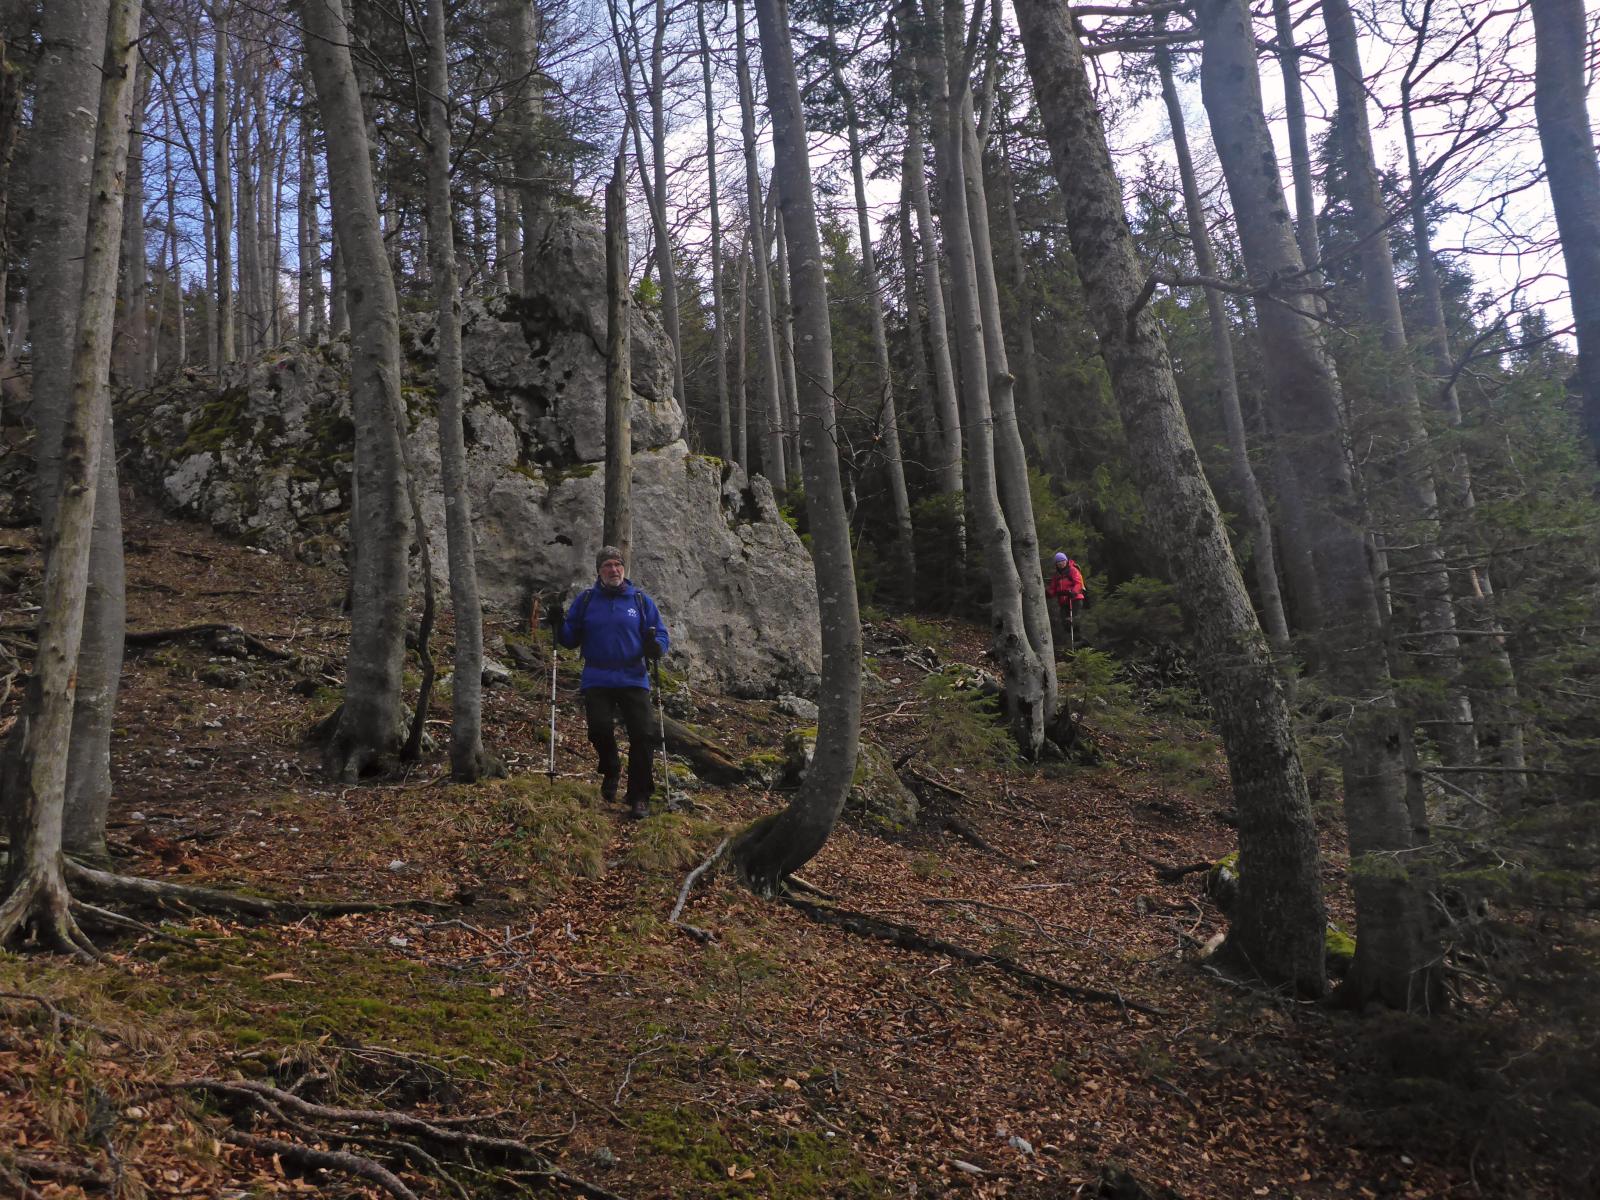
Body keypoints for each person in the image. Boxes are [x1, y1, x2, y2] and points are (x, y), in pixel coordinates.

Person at [547, 546, 671, 819]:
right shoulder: (588, 600)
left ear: (623, 569)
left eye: (617, 565)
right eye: (607, 566)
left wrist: (656, 647)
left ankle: (639, 795)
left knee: (643, 735)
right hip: (598, 676)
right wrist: (557, 623)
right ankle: (611, 768)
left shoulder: (640, 600)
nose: (613, 570)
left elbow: (661, 634)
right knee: (599, 729)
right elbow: (569, 639)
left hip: (633, 676)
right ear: (599, 571)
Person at [1045, 551, 1085, 645]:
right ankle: (1077, 641)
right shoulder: (1056, 576)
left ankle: (1080, 641)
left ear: (1066, 561)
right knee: (1065, 623)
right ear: (1056, 564)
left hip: (1075, 599)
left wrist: (1073, 592)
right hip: (1063, 602)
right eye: (1058, 562)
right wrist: (1047, 594)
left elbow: (1078, 583)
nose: (1061, 564)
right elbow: (1053, 589)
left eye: (1062, 561)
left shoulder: (1073, 570)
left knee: (1073, 620)